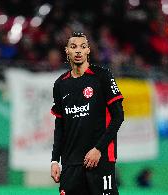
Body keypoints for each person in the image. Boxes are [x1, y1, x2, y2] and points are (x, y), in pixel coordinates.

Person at [50, 32, 124, 195]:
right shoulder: (60, 84)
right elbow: (60, 126)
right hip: (71, 163)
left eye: (82, 47)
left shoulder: (102, 76)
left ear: (88, 51)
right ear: (67, 51)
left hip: (100, 160)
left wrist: (98, 149)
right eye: (73, 47)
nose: (78, 51)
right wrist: (55, 160)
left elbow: (118, 116)